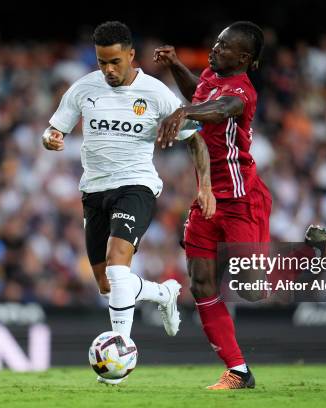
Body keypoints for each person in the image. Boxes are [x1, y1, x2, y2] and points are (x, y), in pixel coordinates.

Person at [155, 21, 326, 389]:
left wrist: (184, 113)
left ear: (244, 57)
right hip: (207, 196)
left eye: (224, 46)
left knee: (252, 290)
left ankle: (314, 248)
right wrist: (176, 65)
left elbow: (218, 109)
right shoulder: (212, 75)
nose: (215, 49)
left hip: (242, 199)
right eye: (216, 42)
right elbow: (200, 95)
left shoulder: (243, 92)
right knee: (201, 284)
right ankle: (239, 371)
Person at [42, 21, 214, 384]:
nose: (108, 70)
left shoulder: (156, 94)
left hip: (136, 186)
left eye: (115, 62)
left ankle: (118, 362)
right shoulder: (84, 88)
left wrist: (206, 188)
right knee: (108, 285)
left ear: (130, 55)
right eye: (102, 62)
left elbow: (196, 139)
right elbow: (55, 127)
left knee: (120, 269)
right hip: (93, 192)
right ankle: (164, 292)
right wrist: (51, 138)